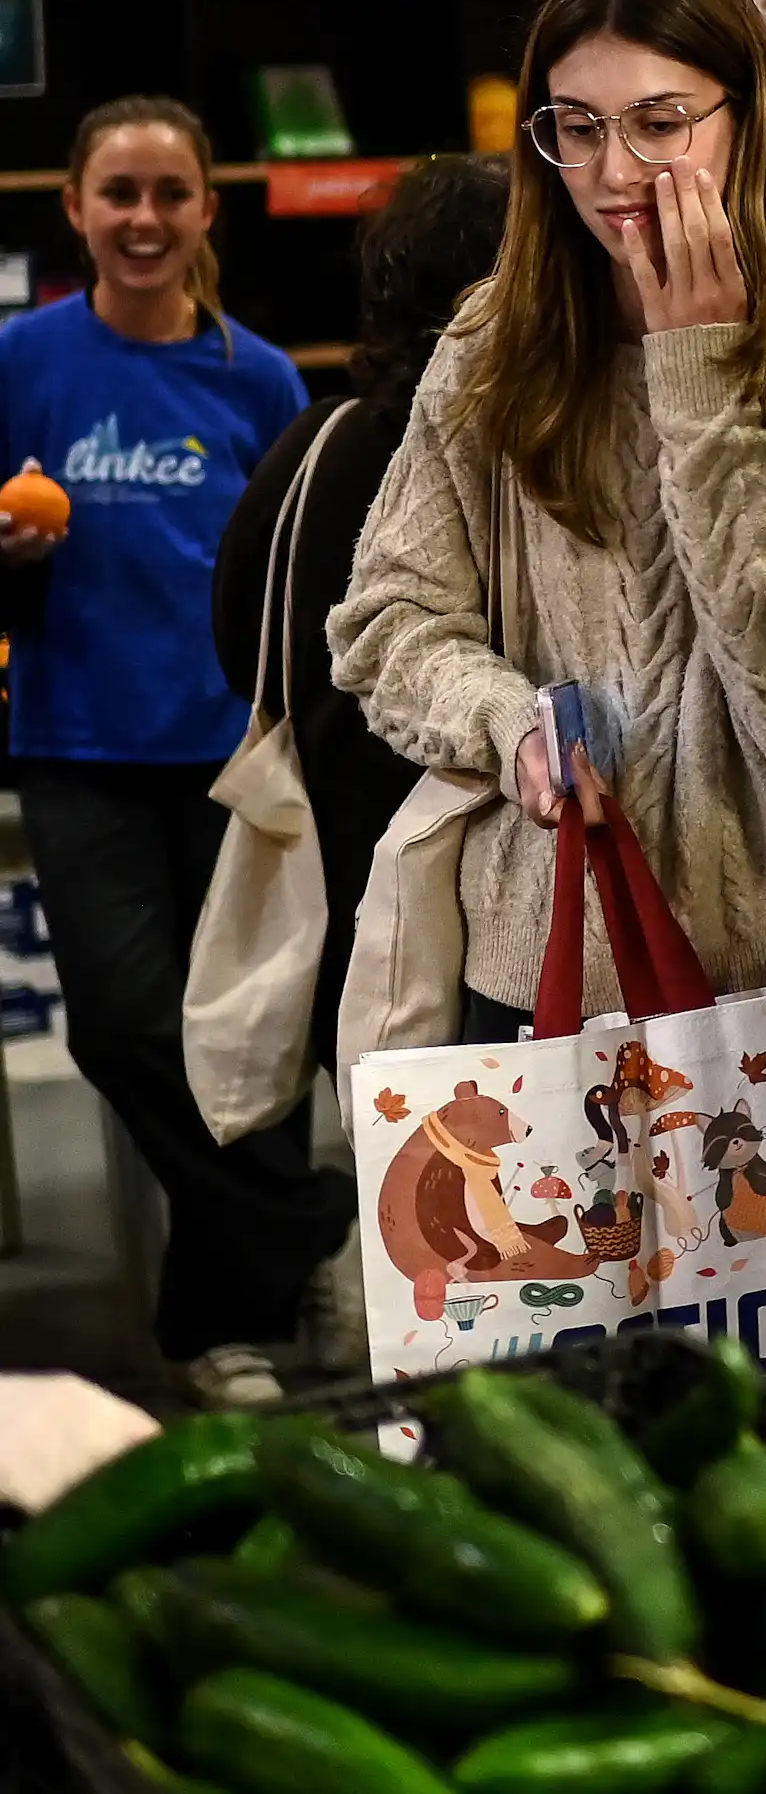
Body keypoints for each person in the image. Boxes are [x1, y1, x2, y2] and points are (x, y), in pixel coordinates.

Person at [331, 0, 766, 1040]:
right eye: (577, 128)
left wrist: (697, 370)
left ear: (748, 120)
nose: (616, 172)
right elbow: (386, 622)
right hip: (550, 964)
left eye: (660, 123)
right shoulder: (492, 348)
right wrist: (511, 726)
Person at [0, 95, 348, 1407]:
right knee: (124, 1021)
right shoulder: (22, 360)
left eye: (169, 195)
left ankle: (225, 1325)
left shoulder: (259, 380)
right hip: (76, 742)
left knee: (251, 1034)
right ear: (75, 209)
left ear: (207, 209)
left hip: (233, 753)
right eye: (119, 194)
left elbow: (298, 579)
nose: (143, 219)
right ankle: (308, 1222)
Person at [213, 157, 512, 1097]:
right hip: (512, 873)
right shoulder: (536, 457)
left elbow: (238, 640)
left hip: (347, 864)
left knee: (392, 1130)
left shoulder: (319, 446)